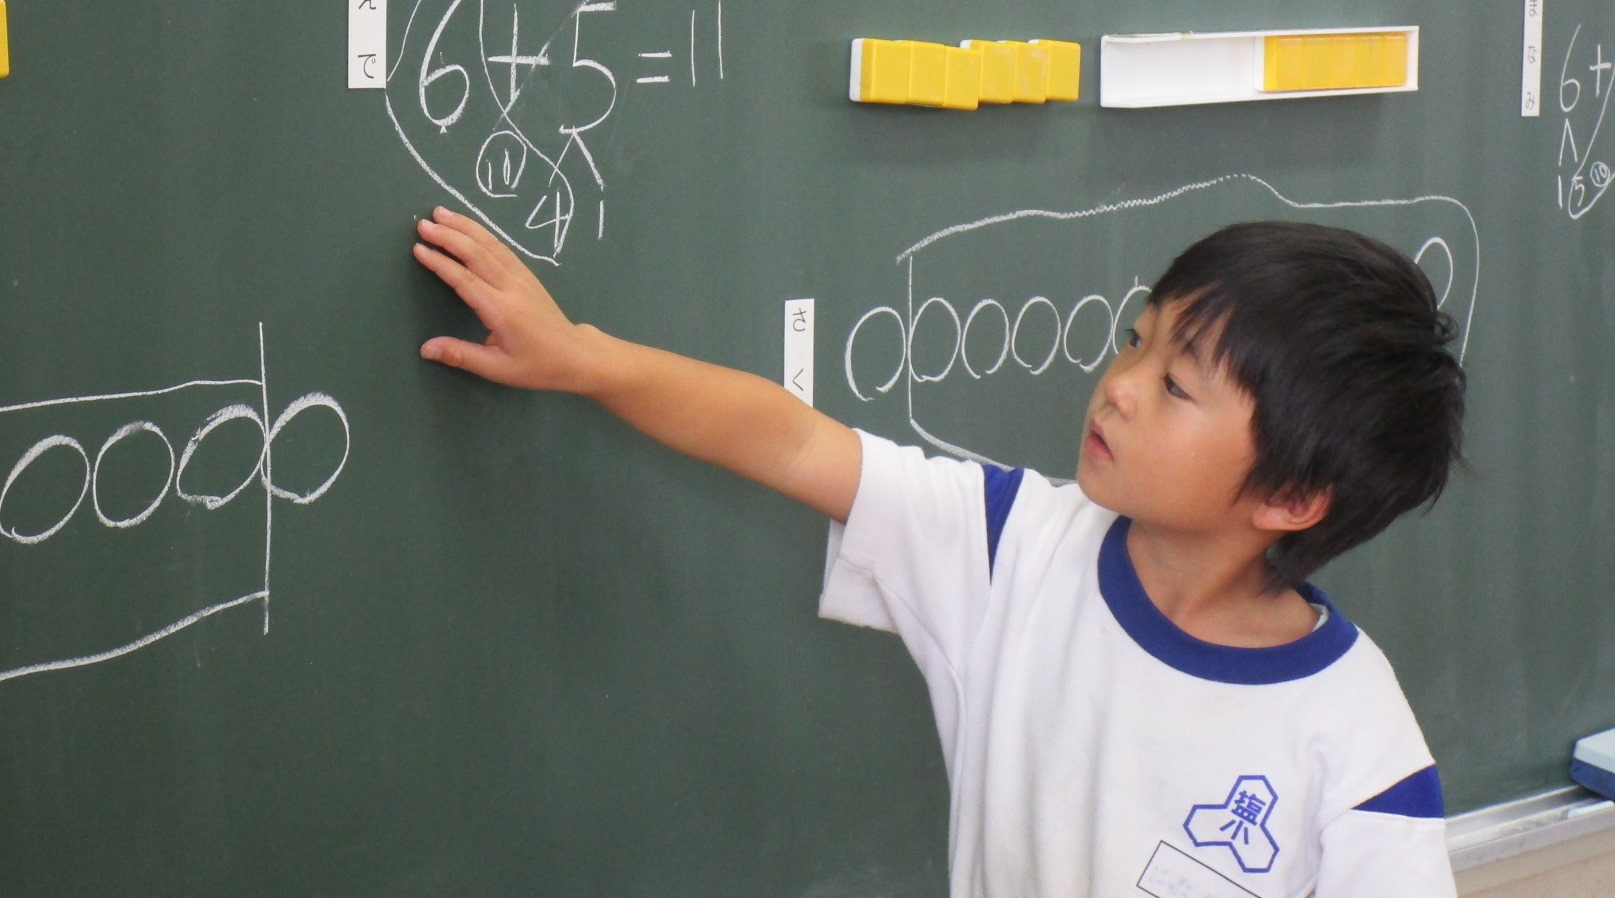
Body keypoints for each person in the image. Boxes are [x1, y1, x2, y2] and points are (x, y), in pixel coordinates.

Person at [412, 206, 1466, 897]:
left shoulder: (1356, 745)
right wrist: (583, 360)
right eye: (1134, 340)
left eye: (1175, 385)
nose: (1118, 387)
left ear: (1289, 496)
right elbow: (791, 441)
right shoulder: (1012, 548)